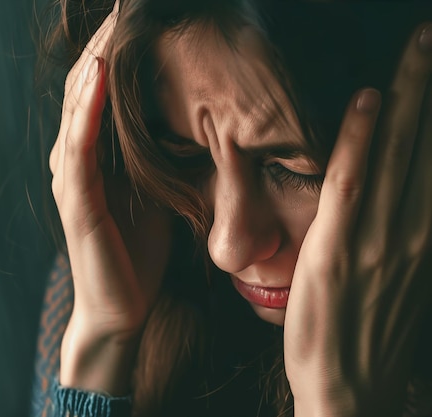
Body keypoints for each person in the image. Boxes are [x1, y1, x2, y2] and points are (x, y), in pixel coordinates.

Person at [32, 0, 432, 416]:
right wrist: (103, 341)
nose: (225, 247)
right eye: (187, 155)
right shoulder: (130, 267)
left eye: (293, 169)